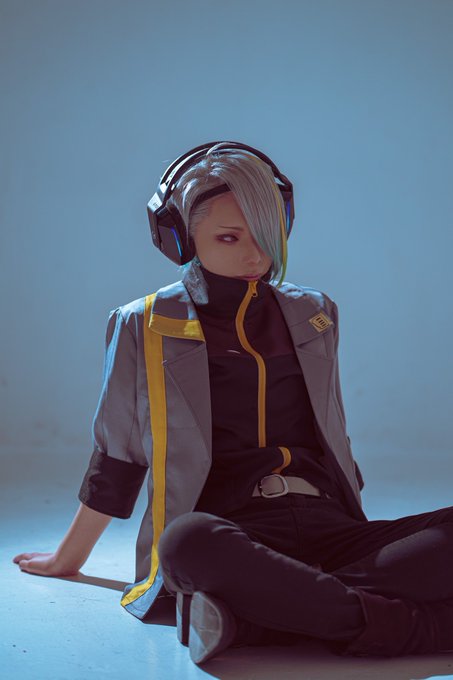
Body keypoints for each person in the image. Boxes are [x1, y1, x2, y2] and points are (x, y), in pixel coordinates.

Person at [13, 141, 453, 666]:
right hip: (229, 531)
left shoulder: (315, 313)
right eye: (229, 237)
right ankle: (413, 626)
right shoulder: (144, 322)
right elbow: (118, 455)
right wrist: (68, 559)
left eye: (266, 235)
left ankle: (255, 618)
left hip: (330, 526)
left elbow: (333, 432)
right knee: (186, 542)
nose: (254, 256)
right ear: (179, 236)